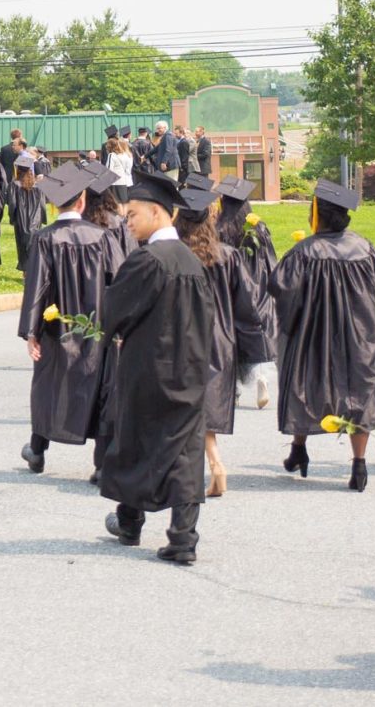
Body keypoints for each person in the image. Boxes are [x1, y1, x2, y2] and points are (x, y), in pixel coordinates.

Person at [99, 169, 213, 562]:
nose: (127, 222)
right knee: (185, 450)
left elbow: (114, 312)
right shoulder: (192, 262)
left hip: (148, 370)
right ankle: (183, 539)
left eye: (132, 215)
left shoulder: (147, 260)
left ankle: (130, 523)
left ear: (157, 213)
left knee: (134, 441)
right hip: (192, 369)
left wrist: (110, 328)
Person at [271, 178, 375, 490]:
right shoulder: (365, 248)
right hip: (359, 335)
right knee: (359, 393)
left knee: (306, 383)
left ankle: (299, 449)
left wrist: (295, 325)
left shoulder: (303, 252)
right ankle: (359, 465)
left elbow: (283, 294)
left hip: (313, 336)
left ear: (317, 214)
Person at [18, 165, 124, 476]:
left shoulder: (43, 238)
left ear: (55, 205)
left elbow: (36, 287)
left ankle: (37, 451)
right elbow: (120, 283)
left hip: (57, 329)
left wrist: (31, 333)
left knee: (48, 386)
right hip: (98, 329)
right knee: (101, 390)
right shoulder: (103, 238)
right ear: (82, 202)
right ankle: (102, 465)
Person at [177, 179, 266, 499]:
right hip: (219, 342)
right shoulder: (228, 256)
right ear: (209, 218)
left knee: (179, 410)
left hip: (178, 341)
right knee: (205, 406)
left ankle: (193, 471)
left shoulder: (170, 256)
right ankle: (214, 462)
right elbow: (247, 307)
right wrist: (251, 348)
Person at [215, 177, 277, 410]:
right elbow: (270, 260)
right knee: (256, 334)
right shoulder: (258, 228)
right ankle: (261, 378)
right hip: (258, 290)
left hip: (232, 290)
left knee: (230, 337)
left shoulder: (219, 229)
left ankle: (235, 390)